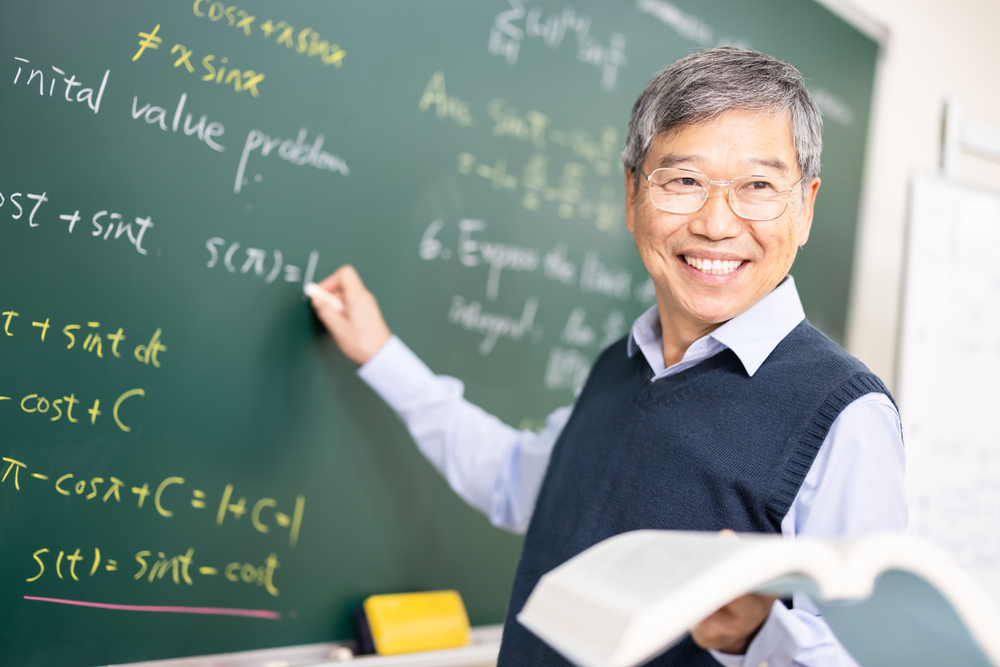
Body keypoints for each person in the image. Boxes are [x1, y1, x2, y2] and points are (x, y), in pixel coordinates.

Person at [309, 47, 905, 667]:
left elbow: (868, 659)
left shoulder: (844, 416)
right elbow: (517, 481)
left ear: (804, 207)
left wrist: (758, 635)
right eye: (683, 181)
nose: (717, 223)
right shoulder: (619, 369)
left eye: (758, 185)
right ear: (632, 196)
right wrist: (381, 355)